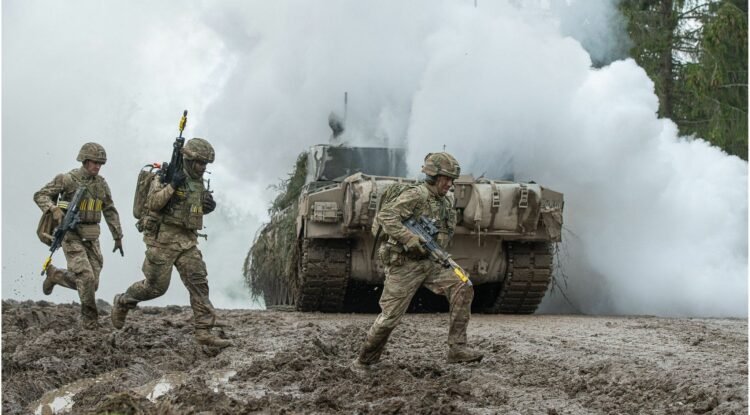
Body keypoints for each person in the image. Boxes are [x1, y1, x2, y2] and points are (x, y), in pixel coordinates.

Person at [352, 152, 483, 371]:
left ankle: (457, 348)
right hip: (405, 264)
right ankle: (364, 361)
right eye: (446, 178)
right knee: (390, 318)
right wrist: (410, 238)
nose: (449, 184)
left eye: (452, 180)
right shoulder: (416, 195)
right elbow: (386, 216)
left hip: (433, 261)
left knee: (464, 284)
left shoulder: (446, 200)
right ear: (433, 176)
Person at [110, 138, 230, 348]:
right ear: (189, 160)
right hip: (162, 241)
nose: (203, 167)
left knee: (199, 283)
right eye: (200, 163)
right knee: (155, 288)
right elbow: (154, 203)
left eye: (205, 164)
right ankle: (123, 301)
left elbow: (192, 208)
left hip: (187, 241)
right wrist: (173, 184)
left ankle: (204, 331)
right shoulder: (165, 176)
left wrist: (207, 206)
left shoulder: (198, 181)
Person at [34, 142, 124, 329]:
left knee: (92, 284)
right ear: (85, 160)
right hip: (71, 234)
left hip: (92, 236)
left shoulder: (101, 184)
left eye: (100, 163)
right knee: (86, 277)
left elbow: (109, 209)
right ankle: (90, 320)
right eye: (94, 162)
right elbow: (40, 195)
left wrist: (117, 236)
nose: (97, 167)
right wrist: (53, 209)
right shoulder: (67, 179)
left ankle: (56, 275)